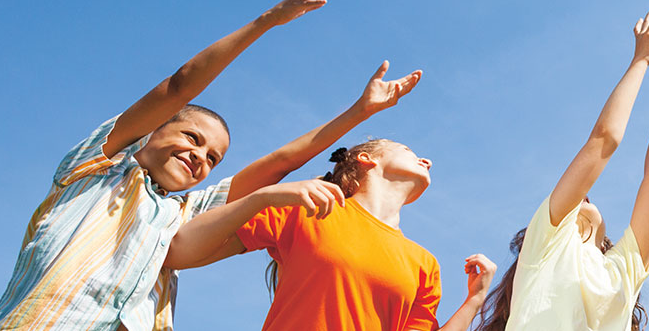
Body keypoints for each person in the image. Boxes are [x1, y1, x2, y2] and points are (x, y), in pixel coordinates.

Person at [0, 0, 420, 330]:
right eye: (192, 138)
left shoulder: (185, 211)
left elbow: (281, 164)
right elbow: (180, 87)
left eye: (213, 158)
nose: (200, 157)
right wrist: (266, 21)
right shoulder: (97, 167)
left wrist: (359, 112)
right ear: (150, 133)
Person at [474, 10, 649, 331]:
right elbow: (603, 140)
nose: (582, 196)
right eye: (578, 197)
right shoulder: (547, 242)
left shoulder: (624, 269)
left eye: (587, 198)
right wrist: (641, 59)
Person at [163, 130, 495, 331]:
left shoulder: (424, 264)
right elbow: (180, 252)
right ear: (366, 159)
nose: (428, 161)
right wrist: (262, 198)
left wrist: (475, 299)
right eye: (410, 151)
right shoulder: (308, 207)